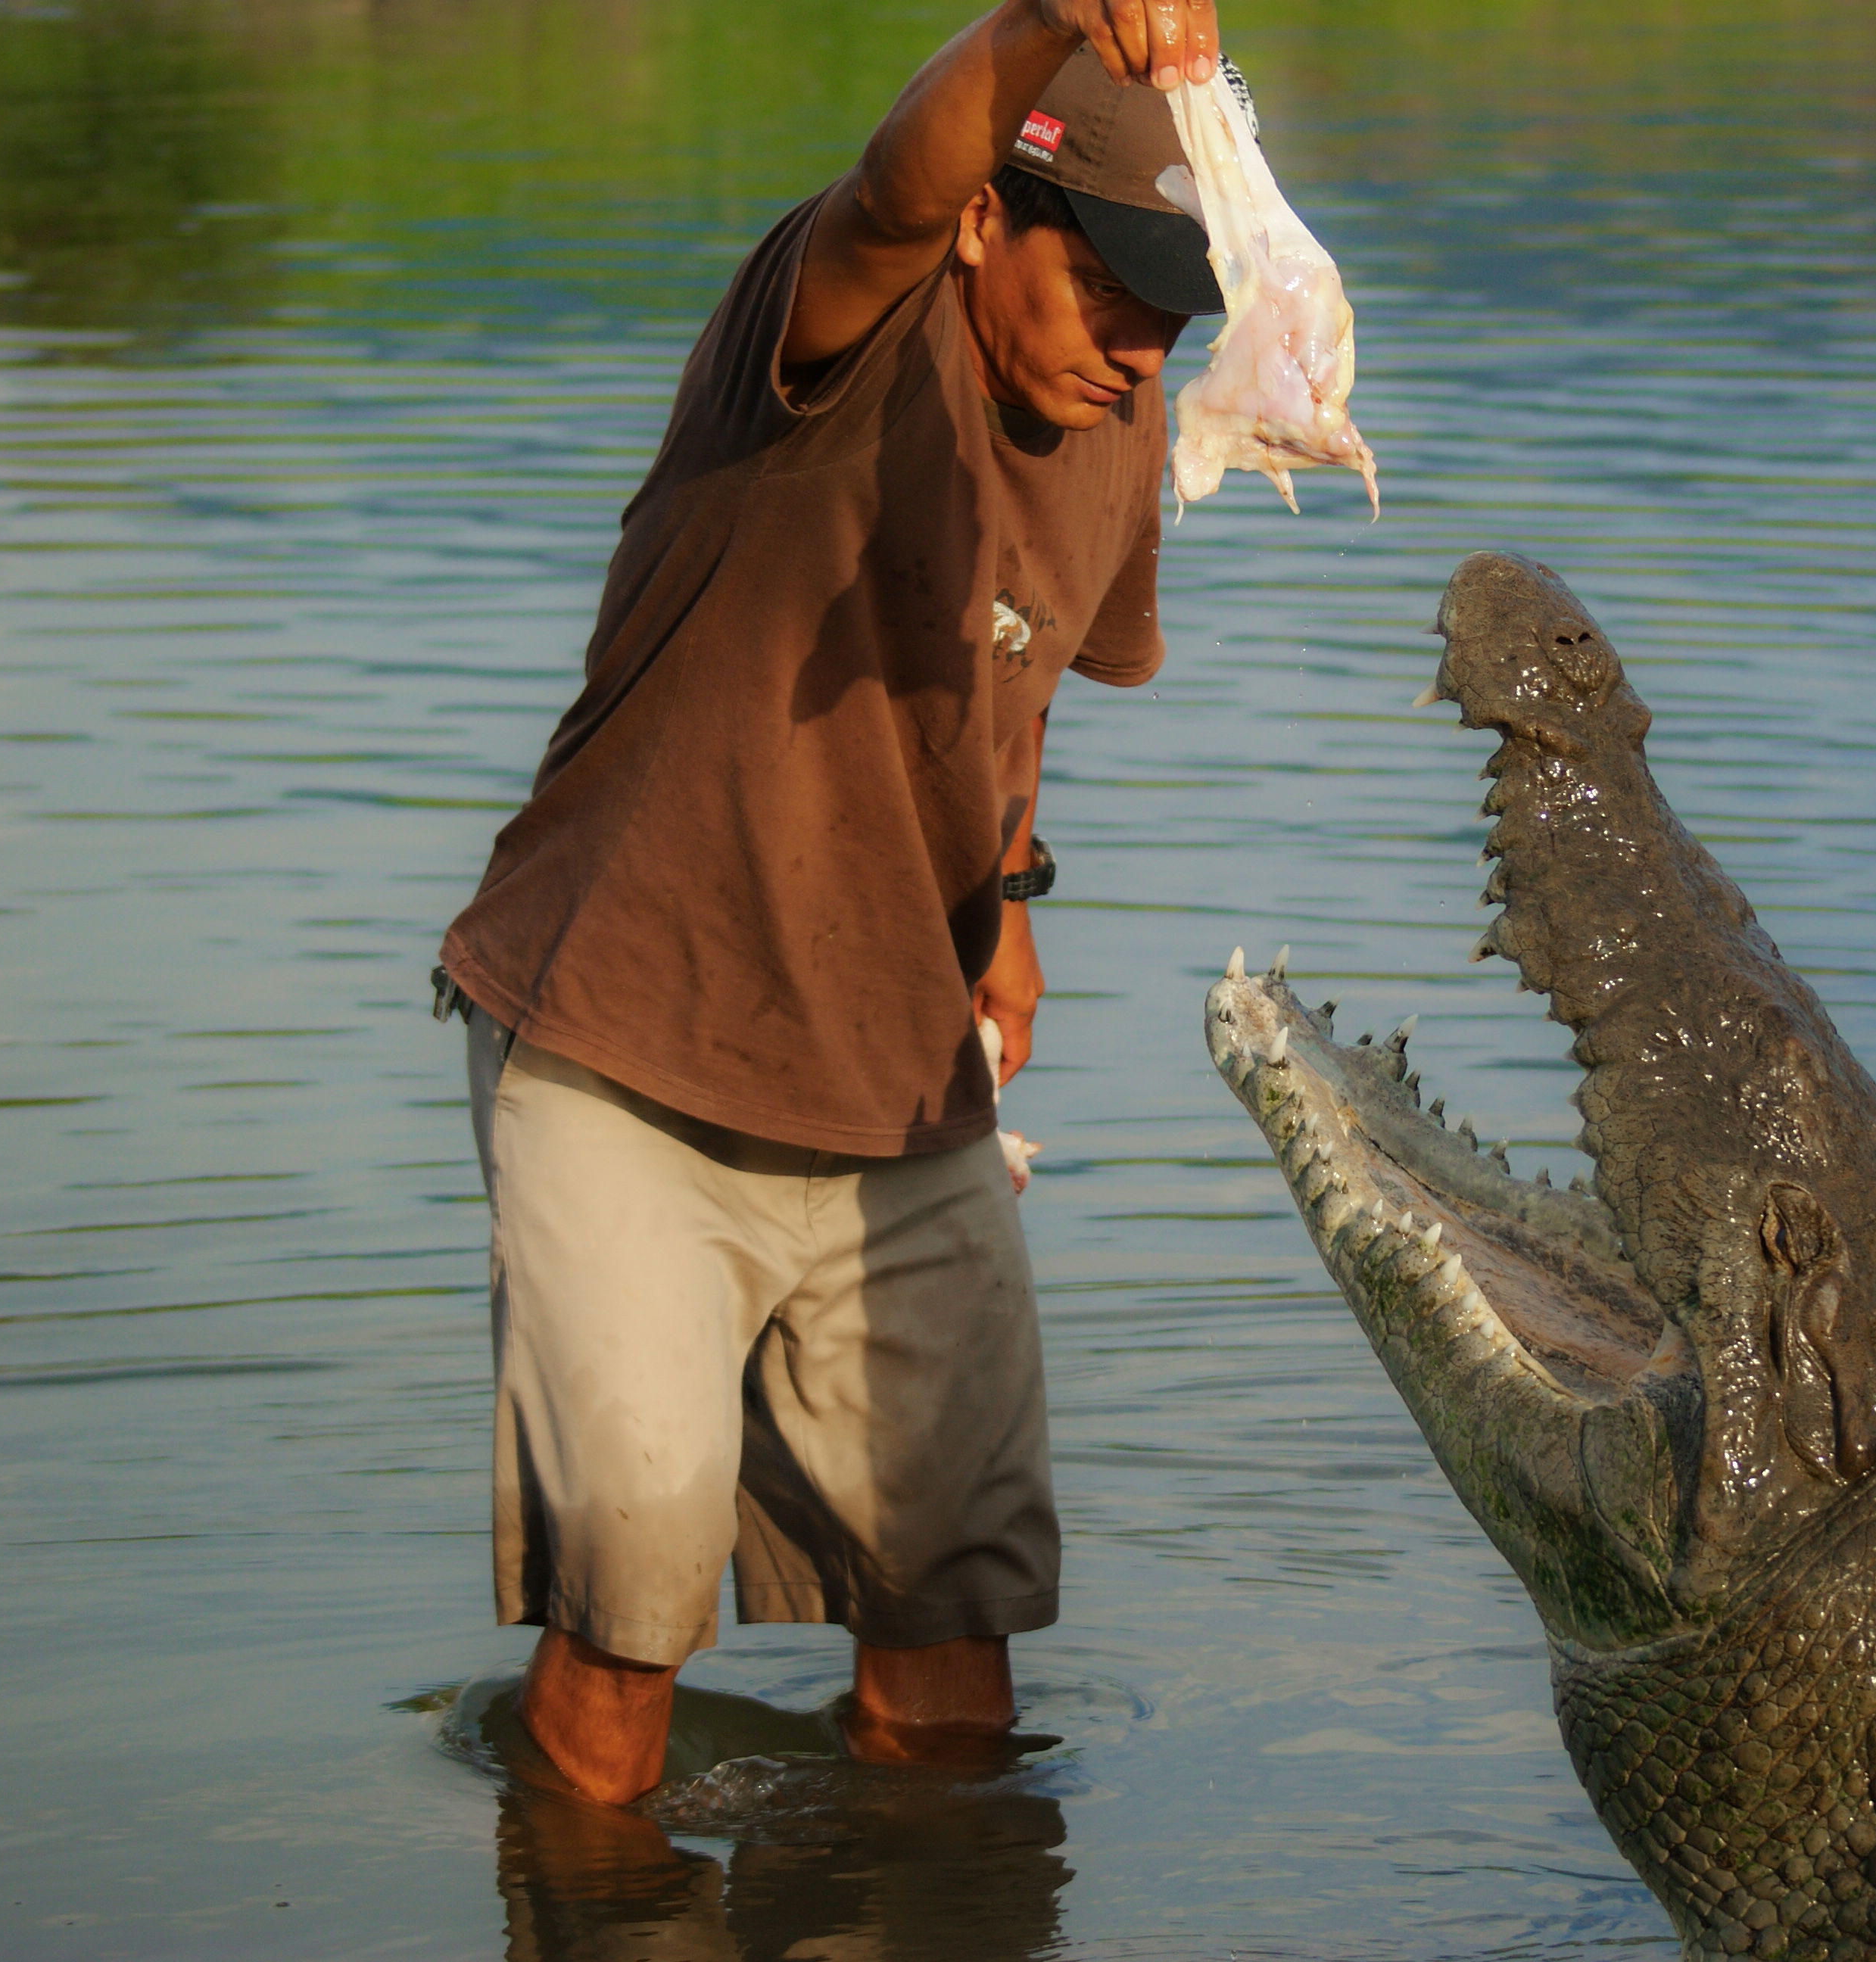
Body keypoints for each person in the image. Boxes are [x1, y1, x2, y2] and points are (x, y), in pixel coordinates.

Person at [432, 0, 1229, 1808]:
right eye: (1103, 285)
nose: (1135, 343)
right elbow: (888, 182)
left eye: (1174, 307)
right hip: (629, 1047)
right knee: (632, 1613)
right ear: (984, 230)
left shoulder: (1118, 428)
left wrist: (1007, 895)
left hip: (894, 1085)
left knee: (955, 1649)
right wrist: (1041, 18)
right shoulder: (837, 327)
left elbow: (1001, 689)